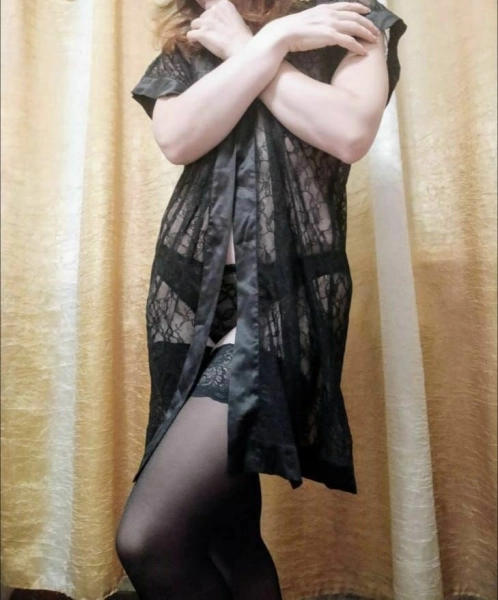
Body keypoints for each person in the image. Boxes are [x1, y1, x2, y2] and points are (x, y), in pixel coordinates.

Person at [115, 0, 407, 597]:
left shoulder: (349, 21)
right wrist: (270, 43)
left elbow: (349, 132)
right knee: (227, 534)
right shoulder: (193, 40)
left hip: (282, 300)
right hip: (186, 299)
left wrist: (253, 45)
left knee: (151, 539)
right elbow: (177, 139)